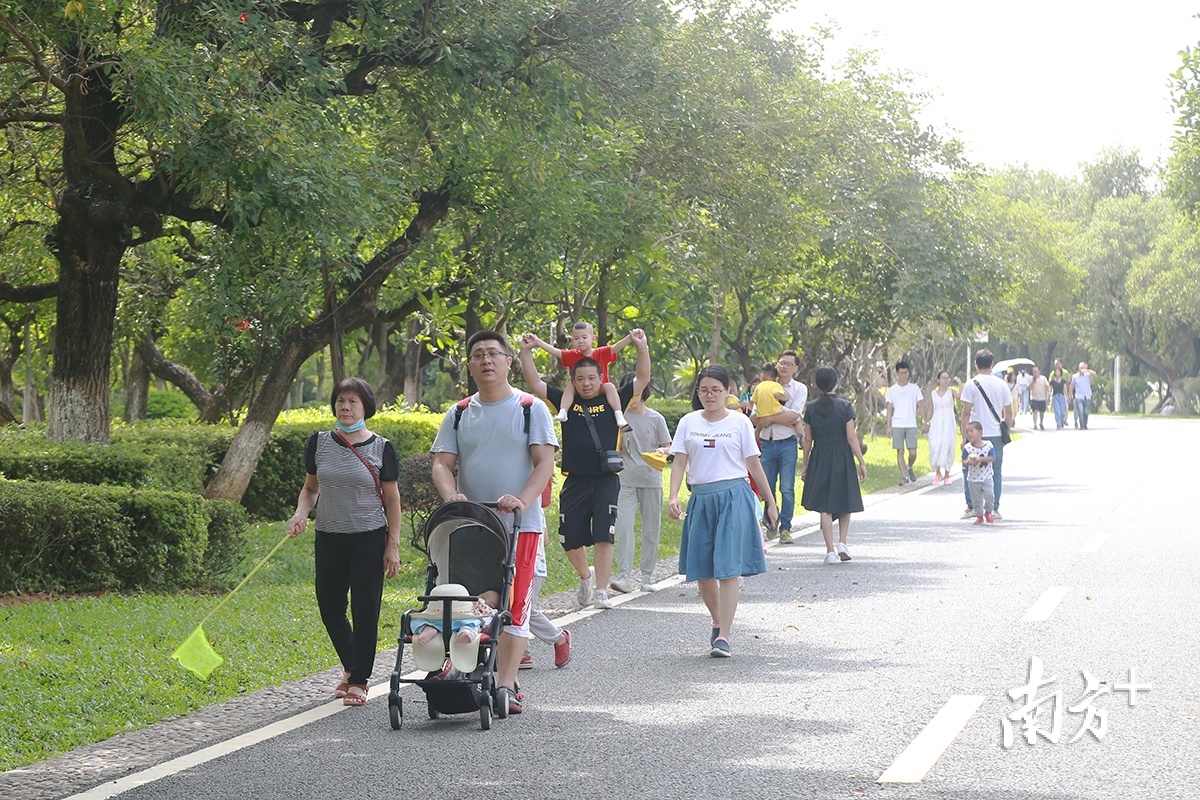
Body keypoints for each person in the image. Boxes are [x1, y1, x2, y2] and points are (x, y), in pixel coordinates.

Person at [430, 330, 558, 715]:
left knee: (515, 603)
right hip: (473, 525)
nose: (486, 360)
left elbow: (544, 463)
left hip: (522, 525)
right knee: (468, 600)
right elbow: (441, 463)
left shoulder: (529, 407)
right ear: (470, 366)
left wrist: (521, 499)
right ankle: (463, 666)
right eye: (478, 355)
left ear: (508, 361)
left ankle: (506, 684)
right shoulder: (458, 412)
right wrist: (451, 496)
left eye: (493, 354)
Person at [287, 378, 403, 707]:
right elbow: (310, 489)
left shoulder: (382, 448)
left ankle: (359, 680)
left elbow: (393, 501)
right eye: (340, 401)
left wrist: (391, 544)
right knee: (330, 606)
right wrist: (300, 514)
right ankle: (352, 667)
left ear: (366, 407)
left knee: (366, 610)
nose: (345, 407)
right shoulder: (319, 443)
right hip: (329, 537)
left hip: (368, 538)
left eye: (353, 401)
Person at [519, 328, 651, 611]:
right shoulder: (567, 401)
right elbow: (535, 383)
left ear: (601, 378)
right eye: (580, 379)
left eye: (592, 378)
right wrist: (526, 352)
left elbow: (642, 379)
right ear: (573, 381)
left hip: (606, 479)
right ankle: (585, 575)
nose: (587, 383)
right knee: (569, 539)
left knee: (605, 534)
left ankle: (601, 591)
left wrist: (642, 348)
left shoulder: (611, 397)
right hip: (575, 480)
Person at [668, 365, 777, 658]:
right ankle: (717, 619)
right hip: (701, 499)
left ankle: (724, 637)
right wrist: (673, 495)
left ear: (728, 391)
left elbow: (753, 464)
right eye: (704, 390)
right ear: (698, 392)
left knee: (728, 569)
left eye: (716, 389)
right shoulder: (688, 422)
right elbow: (679, 460)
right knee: (702, 570)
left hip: (734, 497)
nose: (710, 395)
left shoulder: (740, 422)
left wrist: (771, 501)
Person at [609, 374, 672, 595]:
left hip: (651, 479)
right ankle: (624, 576)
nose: (631, 397)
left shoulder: (656, 419)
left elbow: (668, 445)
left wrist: (661, 451)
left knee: (651, 529)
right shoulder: (620, 419)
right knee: (624, 527)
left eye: (635, 391)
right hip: (625, 480)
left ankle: (647, 576)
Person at [800, 366, 868, 564]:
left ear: (817, 384)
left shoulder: (811, 407)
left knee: (824, 505)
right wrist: (861, 461)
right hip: (842, 455)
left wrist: (806, 464)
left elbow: (807, 439)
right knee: (845, 499)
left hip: (820, 456)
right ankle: (842, 543)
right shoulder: (845, 406)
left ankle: (829, 551)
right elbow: (851, 436)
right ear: (836, 381)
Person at [750, 350, 808, 543]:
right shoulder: (765, 386)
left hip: (787, 444)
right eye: (781, 362)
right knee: (768, 486)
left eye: (789, 364)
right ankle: (771, 522)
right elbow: (754, 416)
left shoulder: (799, 389)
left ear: (796, 369)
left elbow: (795, 415)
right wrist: (774, 419)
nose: (784, 366)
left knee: (787, 488)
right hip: (767, 443)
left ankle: (786, 528)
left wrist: (770, 419)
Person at [527, 322, 632, 427]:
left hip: (600, 388)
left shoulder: (601, 352)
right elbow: (555, 351)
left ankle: (618, 414)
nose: (581, 341)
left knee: (609, 386)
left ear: (593, 339)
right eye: (576, 338)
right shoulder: (572, 355)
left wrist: (630, 337)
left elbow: (616, 347)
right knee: (570, 386)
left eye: (584, 337)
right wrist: (537, 342)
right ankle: (563, 411)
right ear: (572, 341)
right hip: (579, 389)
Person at [959, 350, 1012, 521]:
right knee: (995, 471)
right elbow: (1008, 411)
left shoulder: (971, 384)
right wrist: (1007, 429)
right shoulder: (1001, 384)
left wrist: (964, 436)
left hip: (975, 435)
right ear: (992, 364)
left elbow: (966, 413)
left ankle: (972, 506)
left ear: (975, 363)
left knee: (968, 468)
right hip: (996, 433)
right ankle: (993, 508)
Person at [410, 586, 500, 673]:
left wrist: (489, 625)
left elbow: (488, 624)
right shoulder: (470, 607)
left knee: (416, 621)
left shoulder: (487, 613)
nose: (483, 602)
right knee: (473, 626)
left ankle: (427, 628)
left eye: (490, 604)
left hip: (435, 620)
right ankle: (465, 632)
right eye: (483, 597)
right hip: (460, 620)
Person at [521, 530, 573, 669]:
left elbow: (544, 539)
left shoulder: (533, 509)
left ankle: (558, 636)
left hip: (532, 565)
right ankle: (520, 650)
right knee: (510, 607)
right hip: (514, 566)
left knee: (524, 609)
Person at [885, 360, 924, 485]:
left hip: (911, 423)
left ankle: (909, 466)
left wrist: (925, 421)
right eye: (901, 373)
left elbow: (920, 405)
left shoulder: (914, 388)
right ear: (897, 373)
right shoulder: (892, 390)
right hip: (897, 424)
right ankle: (903, 476)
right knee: (900, 451)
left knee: (913, 451)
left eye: (906, 373)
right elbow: (889, 409)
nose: (904, 375)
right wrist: (888, 426)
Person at [923, 370, 959, 486]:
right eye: (943, 378)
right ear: (938, 380)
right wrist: (925, 422)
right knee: (935, 444)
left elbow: (962, 397)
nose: (945, 380)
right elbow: (930, 410)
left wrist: (959, 384)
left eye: (947, 378)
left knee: (948, 445)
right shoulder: (933, 394)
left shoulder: (951, 392)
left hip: (949, 422)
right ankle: (938, 472)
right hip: (937, 423)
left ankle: (947, 474)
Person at [961, 421, 997, 524]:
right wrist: (968, 462)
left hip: (986, 476)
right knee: (976, 499)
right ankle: (979, 515)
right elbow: (964, 460)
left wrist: (981, 459)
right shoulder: (968, 448)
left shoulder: (988, 445)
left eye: (972, 431)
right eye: (967, 432)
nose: (969, 434)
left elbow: (993, 458)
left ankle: (989, 511)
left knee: (989, 495)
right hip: (973, 478)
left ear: (980, 432)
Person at [1069, 361, 1097, 430]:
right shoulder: (1075, 376)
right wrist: (1070, 395)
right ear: (1079, 368)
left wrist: (1087, 370)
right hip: (1078, 396)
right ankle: (1082, 426)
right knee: (1081, 411)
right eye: (1081, 368)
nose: (1083, 369)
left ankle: (1085, 423)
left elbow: (1095, 374)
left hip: (1087, 396)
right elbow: (1071, 386)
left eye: (1084, 368)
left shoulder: (1087, 375)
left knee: (1086, 412)